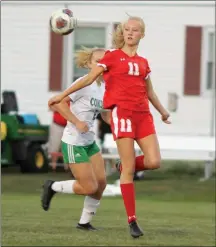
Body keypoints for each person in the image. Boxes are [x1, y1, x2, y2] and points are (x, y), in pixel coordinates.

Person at [48, 16, 171, 238]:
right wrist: (63, 96)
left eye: (135, 30)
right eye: (127, 30)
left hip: (138, 118)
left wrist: (162, 111)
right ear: (123, 33)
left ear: (142, 34)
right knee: (102, 181)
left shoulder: (141, 64)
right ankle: (130, 221)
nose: (130, 33)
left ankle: (122, 167)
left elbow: (148, 92)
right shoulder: (110, 60)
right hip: (107, 123)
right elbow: (85, 81)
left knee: (152, 162)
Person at [42, 47, 111, 231]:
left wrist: (117, 122)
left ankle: (84, 223)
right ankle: (53, 186)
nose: (102, 66)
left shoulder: (105, 87)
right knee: (89, 187)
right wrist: (77, 121)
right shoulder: (83, 83)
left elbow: (105, 114)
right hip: (73, 142)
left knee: (101, 184)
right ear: (89, 64)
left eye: (105, 62)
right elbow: (58, 103)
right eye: (98, 61)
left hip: (89, 142)